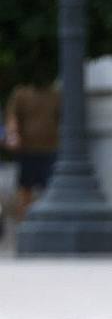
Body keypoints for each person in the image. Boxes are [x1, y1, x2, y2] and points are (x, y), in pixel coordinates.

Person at [4, 81, 60, 220]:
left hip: (50, 149)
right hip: (27, 150)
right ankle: (25, 223)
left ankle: (48, 222)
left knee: (50, 189)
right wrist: (13, 135)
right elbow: (13, 117)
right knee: (25, 189)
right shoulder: (22, 92)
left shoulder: (56, 94)